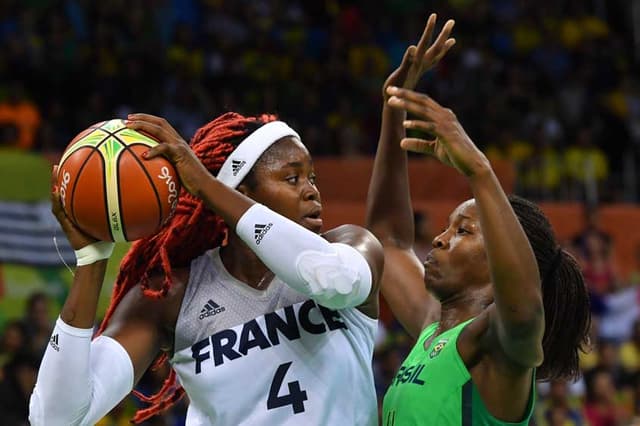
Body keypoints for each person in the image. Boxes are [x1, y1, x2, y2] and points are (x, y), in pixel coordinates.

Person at [29, 112, 384, 425]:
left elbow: (328, 278)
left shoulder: (351, 247)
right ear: (243, 192)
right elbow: (56, 418)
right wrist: (92, 260)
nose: (312, 192)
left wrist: (209, 188)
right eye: (292, 179)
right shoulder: (172, 295)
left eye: (312, 178)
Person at [365, 14, 591, 424]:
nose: (438, 239)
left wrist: (479, 170)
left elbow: (523, 309)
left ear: (500, 263)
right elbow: (388, 240)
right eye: (449, 227)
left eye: (463, 231)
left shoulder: (503, 348)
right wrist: (393, 107)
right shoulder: (434, 329)